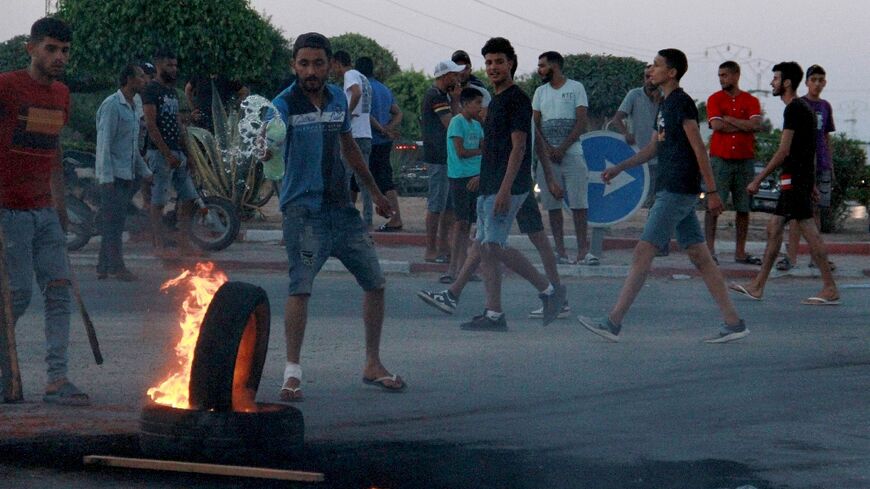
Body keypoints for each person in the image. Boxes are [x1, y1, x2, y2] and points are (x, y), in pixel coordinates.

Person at [578, 49, 748, 344]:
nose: (651, 69)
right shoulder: (665, 105)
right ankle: (734, 323)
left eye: (656, 65)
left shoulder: (681, 103)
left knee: (643, 251)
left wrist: (712, 191)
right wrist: (619, 167)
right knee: (700, 257)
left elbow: (698, 147)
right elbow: (653, 149)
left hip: (677, 189)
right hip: (673, 188)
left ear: (671, 73)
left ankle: (613, 322)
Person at [270, 33, 404, 402]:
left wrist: (375, 192)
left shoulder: (337, 101)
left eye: (317, 63)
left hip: (342, 211)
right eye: (303, 63)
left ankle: (372, 363)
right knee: (301, 288)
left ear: (330, 64)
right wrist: (266, 149)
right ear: (294, 65)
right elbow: (269, 146)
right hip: (304, 213)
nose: (311, 71)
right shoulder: (282, 105)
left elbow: (350, 149)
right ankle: (292, 372)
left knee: (375, 282)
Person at [0, 17, 89, 405]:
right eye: (51, 49)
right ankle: (6, 371)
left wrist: (60, 205)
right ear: (31, 49)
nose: (59, 57)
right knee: (16, 294)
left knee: (58, 291)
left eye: (65, 51)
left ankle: (57, 379)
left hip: (44, 212)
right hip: (8, 211)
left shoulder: (62, 95)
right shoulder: (6, 87)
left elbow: (52, 150)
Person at [459, 37, 566, 331]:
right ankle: (494, 314)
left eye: (499, 62)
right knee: (485, 248)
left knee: (493, 245)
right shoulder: (495, 102)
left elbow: (519, 147)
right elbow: (495, 149)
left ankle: (548, 291)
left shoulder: (518, 99)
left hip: (507, 186)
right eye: (489, 62)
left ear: (511, 64)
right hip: (489, 185)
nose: (493, 67)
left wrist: (505, 189)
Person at [729, 62, 839, 306]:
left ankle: (829, 287)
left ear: (787, 83)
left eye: (776, 79)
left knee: (809, 232)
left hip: (795, 180)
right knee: (775, 228)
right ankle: (758, 286)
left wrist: (758, 179)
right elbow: (808, 149)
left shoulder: (794, 109)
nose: (772, 83)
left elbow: (784, 151)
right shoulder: (804, 109)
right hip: (798, 179)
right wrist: (810, 182)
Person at [533, 51, 594, 265]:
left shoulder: (576, 88)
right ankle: (560, 251)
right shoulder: (540, 92)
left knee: (579, 203)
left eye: (542, 65)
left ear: (555, 66)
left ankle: (582, 251)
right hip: (547, 157)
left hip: (573, 153)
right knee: (552, 205)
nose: (539, 69)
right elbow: (536, 124)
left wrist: (563, 147)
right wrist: (549, 149)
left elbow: (581, 122)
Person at [777, 64, 837, 272]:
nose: (817, 84)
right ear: (807, 82)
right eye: (814, 80)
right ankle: (791, 257)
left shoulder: (825, 107)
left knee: (816, 212)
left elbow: (826, 137)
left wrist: (830, 164)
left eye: (821, 80)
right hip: (801, 166)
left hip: (820, 165)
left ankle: (817, 257)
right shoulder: (799, 104)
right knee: (797, 214)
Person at [94, 64, 151, 281]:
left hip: (127, 174)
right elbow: (104, 144)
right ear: (128, 79)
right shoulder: (112, 105)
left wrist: (144, 172)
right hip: (113, 176)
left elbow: (132, 147)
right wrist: (106, 177)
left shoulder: (134, 106)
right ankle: (117, 267)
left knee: (114, 222)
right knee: (114, 224)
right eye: (140, 77)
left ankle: (103, 266)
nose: (145, 80)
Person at [704, 61, 763, 265]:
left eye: (725, 75)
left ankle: (740, 251)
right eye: (719, 75)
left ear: (736, 75)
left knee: (743, 207)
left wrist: (731, 119)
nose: (722, 79)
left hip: (744, 160)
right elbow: (717, 124)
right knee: (713, 207)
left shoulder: (751, 100)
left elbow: (756, 124)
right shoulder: (714, 99)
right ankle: (709, 250)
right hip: (720, 160)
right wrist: (742, 124)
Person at [142, 48, 200, 257]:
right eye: (169, 65)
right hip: (160, 154)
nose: (174, 69)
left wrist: (189, 154)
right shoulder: (151, 90)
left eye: (175, 65)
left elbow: (178, 124)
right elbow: (151, 124)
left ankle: (183, 242)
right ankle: (159, 245)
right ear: (158, 65)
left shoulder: (172, 92)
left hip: (178, 153)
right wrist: (167, 154)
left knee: (189, 198)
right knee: (158, 201)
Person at [421, 59, 464, 263]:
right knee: (437, 204)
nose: (457, 78)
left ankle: (443, 247)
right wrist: (456, 101)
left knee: (448, 206)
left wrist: (454, 100)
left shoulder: (442, 96)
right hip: (438, 157)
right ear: (445, 76)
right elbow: (452, 125)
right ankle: (431, 249)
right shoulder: (436, 97)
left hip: (445, 157)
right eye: (454, 75)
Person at [355, 56, 404, 232]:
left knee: (354, 179)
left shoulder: (361, 88)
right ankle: (395, 218)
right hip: (384, 142)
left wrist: (381, 129)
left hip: (367, 139)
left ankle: (350, 218)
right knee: (385, 180)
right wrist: (388, 128)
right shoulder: (384, 89)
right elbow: (398, 113)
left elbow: (365, 113)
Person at [443, 88, 485, 283]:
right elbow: (461, 151)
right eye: (477, 102)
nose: (480, 107)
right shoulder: (456, 122)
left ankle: (464, 268)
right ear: (466, 103)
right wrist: (480, 152)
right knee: (460, 223)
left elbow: (485, 147)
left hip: (476, 175)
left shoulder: (477, 125)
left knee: (469, 224)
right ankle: (453, 268)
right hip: (460, 176)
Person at [331, 51, 375, 227]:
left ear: (337, 63)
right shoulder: (363, 77)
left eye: (332, 65)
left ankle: (342, 217)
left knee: (344, 177)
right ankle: (368, 219)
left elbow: (355, 93)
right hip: (366, 133)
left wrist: (346, 115)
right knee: (364, 178)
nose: (332, 70)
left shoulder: (350, 75)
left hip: (353, 135)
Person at [611, 64, 662, 210]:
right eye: (647, 76)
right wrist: (626, 134)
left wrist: (659, 102)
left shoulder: (664, 97)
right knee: (640, 194)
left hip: (658, 153)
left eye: (652, 76)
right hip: (637, 152)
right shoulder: (635, 94)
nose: (650, 80)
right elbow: (617, 118)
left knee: (655, 196)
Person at [184, 74, 248, 132]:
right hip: (202, 119)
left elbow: (244, 92)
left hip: (222, 120)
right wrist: (193, 109)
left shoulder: (226, 76)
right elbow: (187, 89)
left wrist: (234, 109)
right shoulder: (200, 75)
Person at [452, 49, 491, 121]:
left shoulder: (482, 92)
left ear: (470, 70)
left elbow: (486, 121)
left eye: (465, 68)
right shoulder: (444, 94)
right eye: (458, 68)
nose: (461, 72)